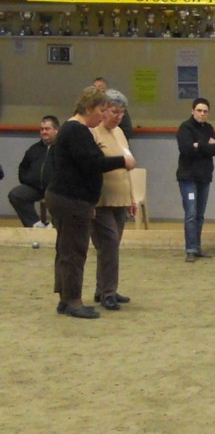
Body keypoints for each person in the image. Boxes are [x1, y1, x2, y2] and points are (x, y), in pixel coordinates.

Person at [45, 85, 135, 319]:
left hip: (71, 199)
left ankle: (66, 299)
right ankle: (73, 301)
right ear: (88, 108)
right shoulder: (77, 130)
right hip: (71, 200)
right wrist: (122, 161)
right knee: (74, 252)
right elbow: (93, 163)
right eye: (101, 110)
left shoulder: (74, 129)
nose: (102, 115)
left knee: (67, 250)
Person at [90, 89, 135, 310]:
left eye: (122, 113)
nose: (118, 117)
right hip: (101, 201)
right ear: (103, 110)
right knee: (109, 245)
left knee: (111, 247)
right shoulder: (93, 133)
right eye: (115, 111)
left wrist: (132, 198)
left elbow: (127, 167)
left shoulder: (119, 133)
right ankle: (108, 292)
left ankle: (103, 289)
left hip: (121, 199)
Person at [175, 97, 215, 262]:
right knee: (191, 213)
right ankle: (190, 249)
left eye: (205, 111)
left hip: (204, 177)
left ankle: (197, 247)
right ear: (192, 111)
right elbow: (186, 149)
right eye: (199, 110)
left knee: (200, 214)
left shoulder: (209, 128)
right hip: (188, 178)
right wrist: (205, 144)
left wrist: (198, 145)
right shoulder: (185, 127)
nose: (202, 114)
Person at [8, 115, 59, 229]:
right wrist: (27, 180)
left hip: (56, 189)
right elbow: (23, 167)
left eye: (47, 129)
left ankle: (54, 225)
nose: (44, 132)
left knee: (65, 199)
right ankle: (35, 225)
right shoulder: (34, 149)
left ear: (56, 130)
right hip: (35, 188)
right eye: (42, 129)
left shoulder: (63, 149)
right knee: (16, 194)